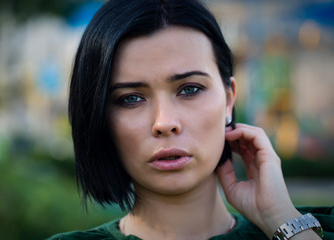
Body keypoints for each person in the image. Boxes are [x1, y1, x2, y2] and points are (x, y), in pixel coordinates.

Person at [48, 0, 333, 239]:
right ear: (100, 116)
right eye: (130, 98)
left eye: (190, 89)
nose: (164, 122)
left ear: (229, 99)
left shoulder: (311, 230)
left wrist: (281, 219)